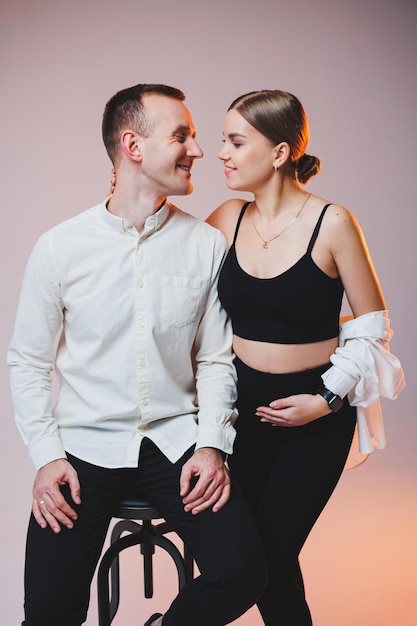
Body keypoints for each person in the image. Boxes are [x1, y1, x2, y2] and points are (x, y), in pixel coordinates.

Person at [7, 83, 266, 626]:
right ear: (134, 146)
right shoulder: (61, 247)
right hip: (81, 450)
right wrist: (47, 456)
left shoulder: (205, 244)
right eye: (182, 136)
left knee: (242, 570)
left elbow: (216, 359)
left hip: (176, 446)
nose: (198, 150)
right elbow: (28, 362)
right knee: (48, 612)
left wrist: (213, 445)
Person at [207, 89, 405, 625]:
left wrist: (326, 400)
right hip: (241, 413)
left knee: (266, 555)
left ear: (278, 153)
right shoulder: (225, 218)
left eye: (235, 140)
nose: (220, 152)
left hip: (315, 420)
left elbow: (371, 329)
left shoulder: (333, 223)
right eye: (223, 139)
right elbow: (176, 291)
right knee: (265, 566)